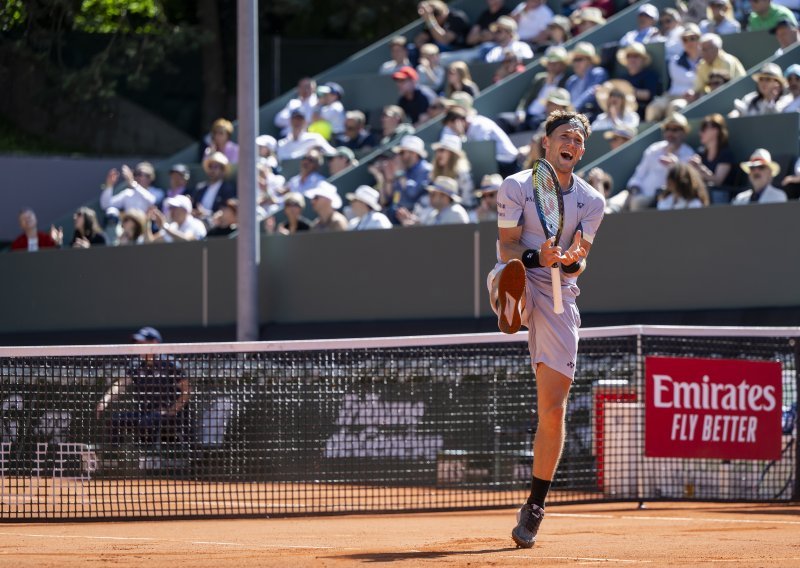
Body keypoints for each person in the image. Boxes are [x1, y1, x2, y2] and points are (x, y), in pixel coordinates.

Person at [487, 110, 604, 549]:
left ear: (581, 150)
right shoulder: (516, 185)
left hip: (561, 293)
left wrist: (571, 259)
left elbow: (583, 256)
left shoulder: (592, 200)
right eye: (563, 136)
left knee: (553, 409)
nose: (570, 143)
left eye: (578, 139)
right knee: (512, 268)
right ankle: (510, 305)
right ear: (547, 143)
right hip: (518, 270)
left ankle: (534, 506)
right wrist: (540, 259)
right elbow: (507, 244)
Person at [95, 327, 190, 471]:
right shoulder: (135, 365)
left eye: (142, 342)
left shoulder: (170, 365)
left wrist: (172, 410)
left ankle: (148, 458)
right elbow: (121, 384)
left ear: (155, 343)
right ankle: (115, 457)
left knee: (148, 422)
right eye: (137, 343)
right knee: (115, 419)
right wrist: (105, 400)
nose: (137, 346)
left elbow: (186, 391)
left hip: (170, 415)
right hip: (144, 412)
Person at [625, 113, 696, 210]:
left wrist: (675, 166)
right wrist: (634, 190)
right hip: (642, 193)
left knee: (638, 202)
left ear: (684, 132)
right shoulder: (654, 149)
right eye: (667, 129)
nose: (670, 133)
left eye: (675, 129)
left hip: (667, 199)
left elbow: (686, 184)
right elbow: (638, 175)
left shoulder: (689, 154)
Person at [442, 101, 519, 178]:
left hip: (508, 161)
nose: (453, 130)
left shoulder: (479, 125)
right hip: (495, 162)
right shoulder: (470, 128)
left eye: (452, 127)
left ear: (459, 121)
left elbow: (480, 154)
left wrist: (461, 136)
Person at [505, 46, 570, 132]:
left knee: (534, 123)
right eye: (549, 63)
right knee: (503, 120)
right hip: (527, 115)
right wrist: (521, 112)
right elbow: (527, 98)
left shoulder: (567, 81)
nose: (551, 66)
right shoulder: (540, 78)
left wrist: (552, 84)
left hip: (544, 117)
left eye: (555, 63)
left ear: (563, 65)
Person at [645, 23, 702, 122]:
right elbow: (685, 78)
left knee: (676, 107)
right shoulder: (675, 61)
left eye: (692, 38)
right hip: (672, 95)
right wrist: (698, 75)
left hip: (694, 97)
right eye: (685, 39)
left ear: (699, 39)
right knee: (653, 108)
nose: (689, 42)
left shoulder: (705, 60)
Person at [688, 113, 736, 203]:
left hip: (722, 196)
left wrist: (700, 168)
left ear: (715, 130)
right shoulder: (701, 154)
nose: (700, 133)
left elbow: (718, 181)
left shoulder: (725, 154)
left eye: (704, 129)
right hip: (703, 194)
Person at [384, 135, 433, 223]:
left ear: (414, 153)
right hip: (399, 217)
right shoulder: (404, 171)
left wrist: (401, 174)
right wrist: (389, 179)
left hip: (417, 218)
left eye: (402, 153)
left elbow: (412, 193)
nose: (399, 156)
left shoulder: (426, 170)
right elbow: (391, 197)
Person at [686, 33, 746, 102]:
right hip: (713, 97)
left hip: (736, 96)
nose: (705, 52)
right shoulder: (702, 65)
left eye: (709, 49)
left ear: (718, 49)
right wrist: (692, 94)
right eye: (703, 49)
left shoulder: (727, 61)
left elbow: (726, 88)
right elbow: (699, 88)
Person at [397, 176, 470, 225]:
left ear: (445, 196)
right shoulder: (433, 214)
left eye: (433, 194)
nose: (430, 196)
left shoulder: (455, 213)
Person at [616, 43, 662, 119]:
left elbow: (648, 94)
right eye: (629, 56)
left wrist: (627, 91)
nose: (632, 59)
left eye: (636, 56)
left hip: (641, 113)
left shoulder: (650, 75)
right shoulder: (622, 78)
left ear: (643, 59)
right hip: (622, 113)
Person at [563, 42, 608, 119]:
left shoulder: (598, 73)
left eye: (579, 59)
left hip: (588, 116)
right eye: (574, 60)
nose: (575, 63)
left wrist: (573, 108)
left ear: (590, 61)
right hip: (570, 118)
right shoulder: (571, 81)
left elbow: (591, 92)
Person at [430, 133, 475, 207]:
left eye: (442, 150)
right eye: (437, 151)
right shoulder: (434, 172)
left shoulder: (462, 175)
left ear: (453, 154)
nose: (438, 154)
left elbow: (467, 202)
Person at [191, 152, 236, 222]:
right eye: (210, 167)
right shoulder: (200, 188)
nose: (212, 170)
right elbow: (193, 207)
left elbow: (227, 211)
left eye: (215, 167)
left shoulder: (227, 189)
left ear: (222, 170)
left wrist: (207, 214)